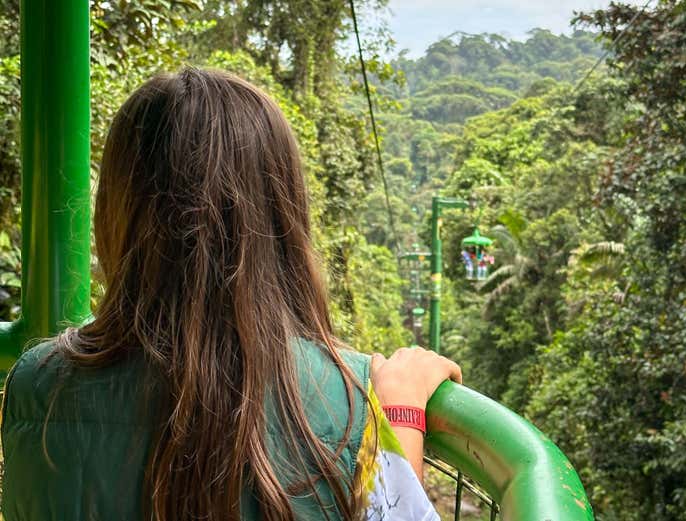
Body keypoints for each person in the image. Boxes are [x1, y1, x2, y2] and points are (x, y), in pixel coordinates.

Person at [1, 68, 461, 521]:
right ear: (283, 219)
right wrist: (397, 415)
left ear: (116, 210)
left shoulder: (36, 385)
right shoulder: (347, 403)